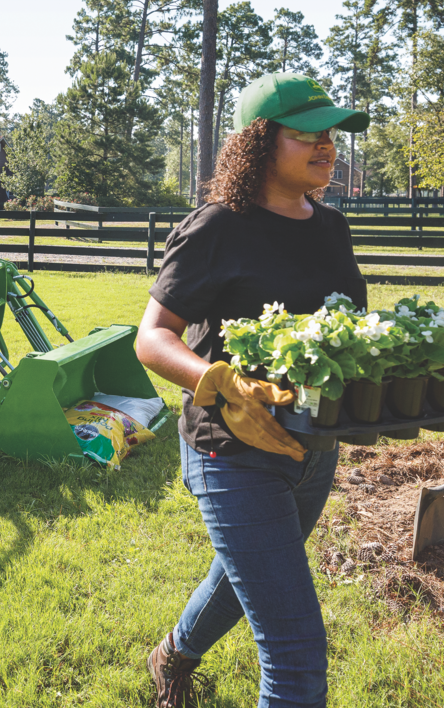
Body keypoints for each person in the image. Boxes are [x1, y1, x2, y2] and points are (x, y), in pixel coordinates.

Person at [135, 72, 370, 708]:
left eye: (331, 137)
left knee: (245, 577)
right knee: (295, 647)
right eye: (309, 136)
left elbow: (339, 329)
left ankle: (172, 655)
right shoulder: (218, 226)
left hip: (312, 448)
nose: (328, 147)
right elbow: (152, 337)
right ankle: (176, 658)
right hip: (229, 451)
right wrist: (219, 382)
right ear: (262, 142)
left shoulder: (330, 226)